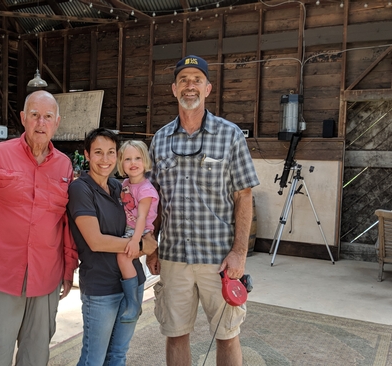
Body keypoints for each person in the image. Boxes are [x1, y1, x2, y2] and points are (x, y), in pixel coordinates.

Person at [147, 55, 260, 366]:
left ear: (208, 88)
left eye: (197, 79)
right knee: (175, 333)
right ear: (173, 89)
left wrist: (239, 252)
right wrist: (152, 245)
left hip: (219, 258)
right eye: (184, 80)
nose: (190, 86)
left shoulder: (230, 135)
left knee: (226, 333)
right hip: (173, 257)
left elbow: (244, 195)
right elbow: (153, 199)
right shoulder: (160, 140)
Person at [0, 90, 78, 366]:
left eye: (47, 117)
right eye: (34, 115)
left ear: (57, 122)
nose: (40, 123)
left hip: (46, 279)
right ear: (23, 118)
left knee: (35, 358)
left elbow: (67, 224)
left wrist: (69, 268)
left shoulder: (65, 166)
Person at [67, 128, 157, 366]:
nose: (105, 159)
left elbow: (146, 225)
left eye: (110, 152)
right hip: (101, 287)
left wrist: (148, 240)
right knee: (93, 360)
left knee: (117, 355)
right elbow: (96, 241)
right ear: (86, 155)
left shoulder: (120, 188)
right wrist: (139, 244)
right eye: (98, 152)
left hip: (132, 282)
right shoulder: (80, 189)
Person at [116, 140, 159, 323]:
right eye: (127, 159)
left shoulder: (145, 189)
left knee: (123, 257)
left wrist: (135, 240)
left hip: (139, 230)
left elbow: (142, 217)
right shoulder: (125, 183)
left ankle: (133, 302)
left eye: (137, 158)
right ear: (121, 163)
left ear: (145, 161)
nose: (133, 163)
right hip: (128, 228)